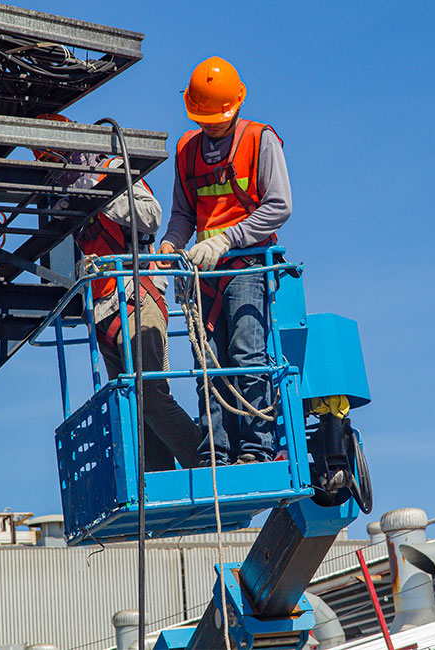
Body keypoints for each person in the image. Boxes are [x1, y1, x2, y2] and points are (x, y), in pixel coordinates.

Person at [34, 114, 199, 471]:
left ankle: (205, 463)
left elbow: (152, 215)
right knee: (132, 404)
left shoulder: (112, 168)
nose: (50, 168)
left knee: (151, 395)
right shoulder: (63, 191)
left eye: (51, 158)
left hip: (136, 297)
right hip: (103, 309)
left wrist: (102, 195)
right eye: (43, 162)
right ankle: (158, 482)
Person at [157, 57, 292, 466]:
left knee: (246, 354)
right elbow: (183, 213)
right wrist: (170, 244)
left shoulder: (259, 139)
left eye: (217, 117)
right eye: (204, 118)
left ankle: (256, 449)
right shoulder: (187, 149)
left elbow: (279, 206)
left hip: (248, 264)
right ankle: (216, 451)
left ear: (235, 105)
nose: (211, 124)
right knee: (206, 363)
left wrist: (226, 240)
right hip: (203, 271)